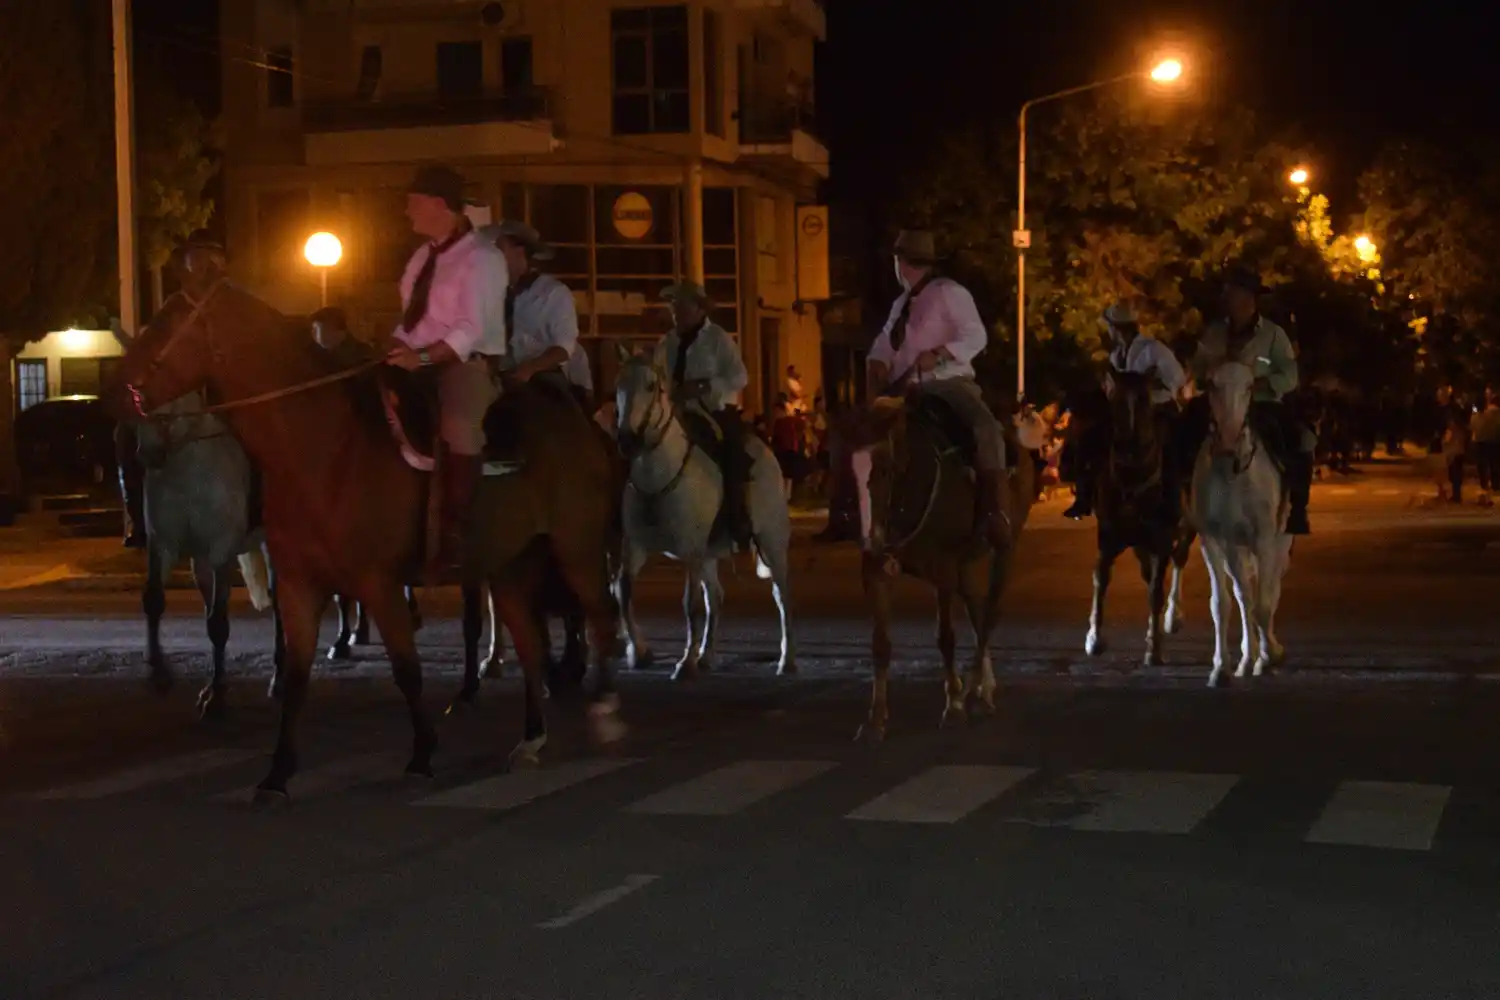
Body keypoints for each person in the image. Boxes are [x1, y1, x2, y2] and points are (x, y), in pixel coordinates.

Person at [383, 163, 509, 569]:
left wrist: (419, 358)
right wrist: (394, 348)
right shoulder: (422, 256)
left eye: (413, 204)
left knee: (458, 423)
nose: (407, 213)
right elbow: (410, 320)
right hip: (415, 360)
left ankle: (458, 527)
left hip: (464, 365)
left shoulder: (483, 259)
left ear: (439, 204)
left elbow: (469, 331)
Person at [865, 229, 1010, 549]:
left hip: (948, 384)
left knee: (984, 428)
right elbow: (885, 343)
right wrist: (876, 362)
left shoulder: (949, 293)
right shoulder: (901, 303)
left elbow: (976, 336)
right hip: (904, 389)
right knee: (861, 440)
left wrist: (942, 353)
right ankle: (858, 514)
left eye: (897, 260)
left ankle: (994, 512)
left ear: (902, 263)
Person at [1184, 265, 1313, 534]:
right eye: (1231, 296)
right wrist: (1204, 377)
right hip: (1218, 405)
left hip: (1262, 405)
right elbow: (1197, 368)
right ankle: (1183, 504)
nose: (1235, 301)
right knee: (1178, 433)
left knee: (1301, 438)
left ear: (1253, 299)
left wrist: (1263, 383)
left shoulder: (1273, 335)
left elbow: (1289, 374)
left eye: (1241, 295)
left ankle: (1297, 510)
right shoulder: (1214, 333)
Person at [1062, 302, 1188, 520]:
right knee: (1089, 438)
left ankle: (1177, 502)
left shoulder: (1154, 349)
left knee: (1174, 449)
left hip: (1155, 409)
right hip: (1122, 412)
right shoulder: (1116, 356)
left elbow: (1176, 378)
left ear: (1118, 328)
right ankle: (1085, 494)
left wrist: (1147, 389)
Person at [652, 281, 752, 547]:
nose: (677, 314)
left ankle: (736, 516)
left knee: (731, 452)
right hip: (678, 410)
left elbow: (740, 376)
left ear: (698, 310)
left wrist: (705, 386)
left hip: (714, 409)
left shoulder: (718, 339)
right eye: (674, 308)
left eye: (682, 307)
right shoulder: (667, 342)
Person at [483, 220, 593, 409]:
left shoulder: (553, 293)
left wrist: (531, 368)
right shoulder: (493, 295)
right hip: (501, 378)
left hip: (544, 376)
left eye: (499, 249)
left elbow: (564, 347)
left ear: (519, 251)